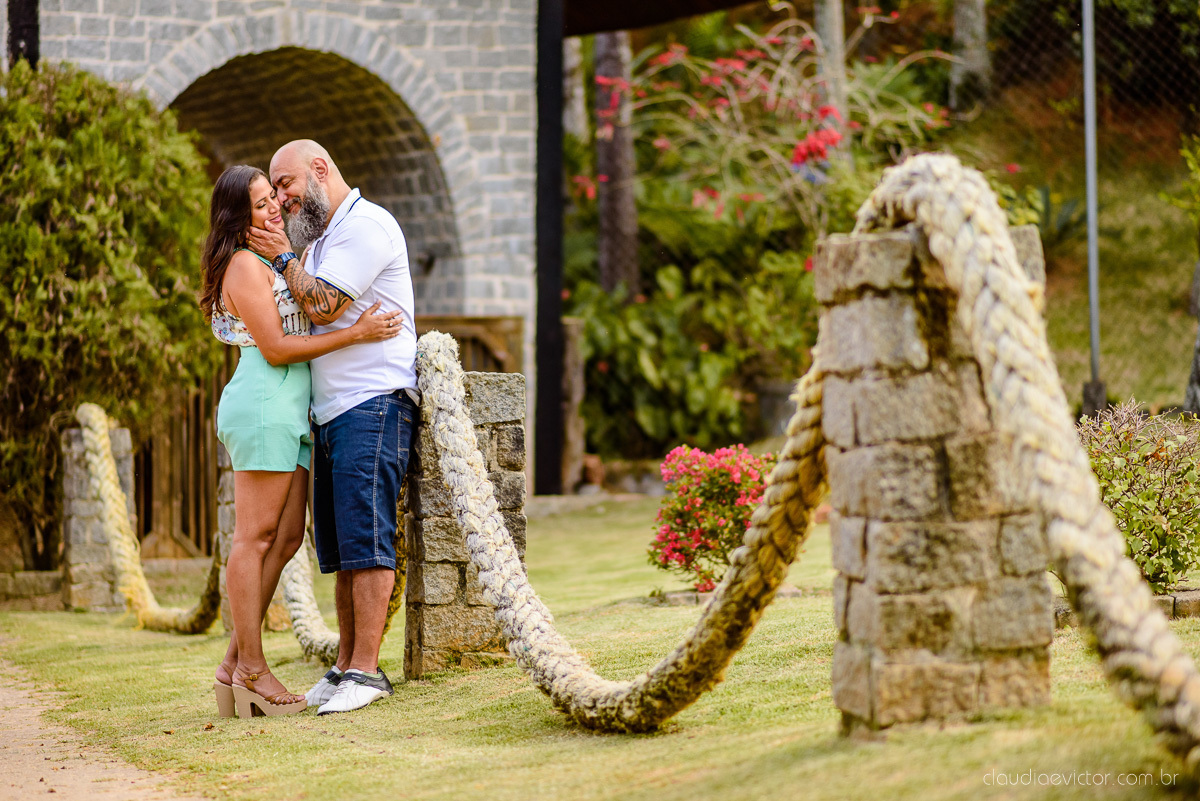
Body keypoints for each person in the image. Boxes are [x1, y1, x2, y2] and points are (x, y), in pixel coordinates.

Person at [200, 164, 405, 718]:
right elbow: (276, 349)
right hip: (265, 403)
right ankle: (251, 670)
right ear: (238, 219)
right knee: (254, 537)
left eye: (274, 198)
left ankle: (231, 665)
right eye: (261, 203)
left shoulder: (277, 258)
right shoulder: (244, 264)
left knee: (288, 537)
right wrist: (358, 333)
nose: (273, 209)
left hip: (294, 409)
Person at [248, 140, 419, 715]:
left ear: (320, 171)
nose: (280, 198)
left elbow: (321, 307)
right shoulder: (321, 239)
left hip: (374, 403)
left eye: (286, 183)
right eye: (273, 189)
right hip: (336, 410)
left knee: (367, 543)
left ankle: (367, 674)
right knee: (344, 549)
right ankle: (345, 665)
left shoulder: (366, 226)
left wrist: (282, 261)